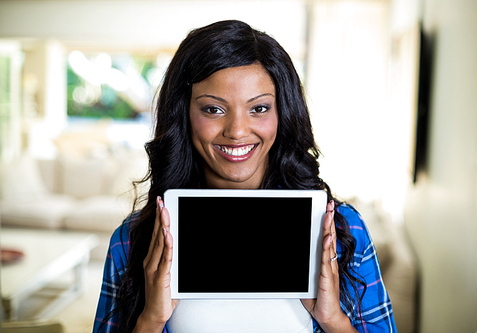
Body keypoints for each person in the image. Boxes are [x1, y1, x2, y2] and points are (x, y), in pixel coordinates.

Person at [93, 20, 397, 333]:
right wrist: (150, 321)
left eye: (259, 108)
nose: (237, 131)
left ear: (283, 113)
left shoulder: (341, 230)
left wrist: (334, 321)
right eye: (213, 109)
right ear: (183, 114)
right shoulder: (133, 240)